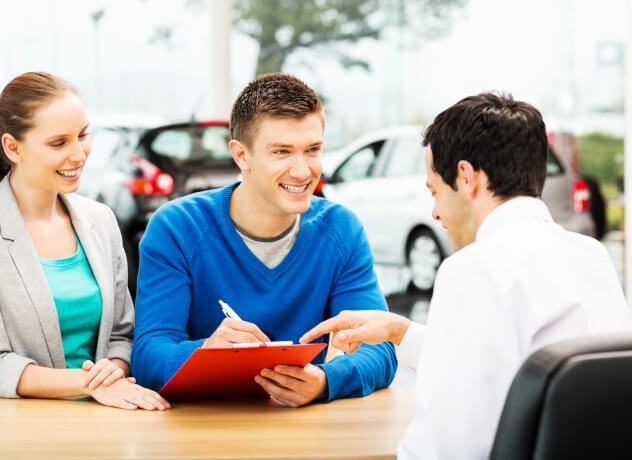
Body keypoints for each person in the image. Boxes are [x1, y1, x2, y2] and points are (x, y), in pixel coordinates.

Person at [301, 92, 632, 458]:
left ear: (466, 177)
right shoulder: (591, 256)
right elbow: (518, 372)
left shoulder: (474, 269)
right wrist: (400, 332)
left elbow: (445, 446)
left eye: (435, 192)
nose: (436, 214)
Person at [131, 73, 397, 407]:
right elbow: (148, 354)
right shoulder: (177, 228)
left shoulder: (341, 229)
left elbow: (381, 348)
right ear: (241, 155)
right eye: (282, 152)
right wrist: (206, 352)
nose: (302, 171)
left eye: (312, 150)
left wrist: (325, 381)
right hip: (199, 430)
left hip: (301, 431)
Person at [0, 71, 169, 411]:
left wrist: (113, 372)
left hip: (98, 414)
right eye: (59, 143)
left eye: (83, 135)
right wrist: (92, 384)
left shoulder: (100, 221)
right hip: (0, 425)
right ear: (13, 148)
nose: (78, 154)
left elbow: (122, 336)